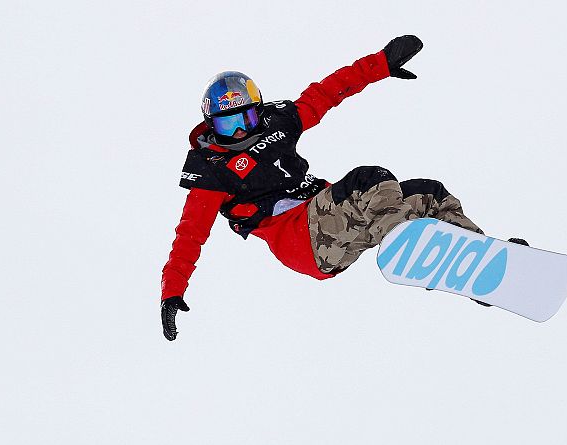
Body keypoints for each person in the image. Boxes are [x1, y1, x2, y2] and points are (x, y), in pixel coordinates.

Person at [160, 35, 526, 340]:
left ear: (259, 110)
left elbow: (325, 93)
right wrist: (172, 291)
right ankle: (402, 238)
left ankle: (483, 268)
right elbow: (189, 235)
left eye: (247, 118)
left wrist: (380, 64)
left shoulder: (278, 122)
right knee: (369, 178)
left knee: (429, 193)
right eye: (228, 126)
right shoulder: (211, 170)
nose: (240, 131)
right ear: (212, 125)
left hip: (335, 221)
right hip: (301, 238)